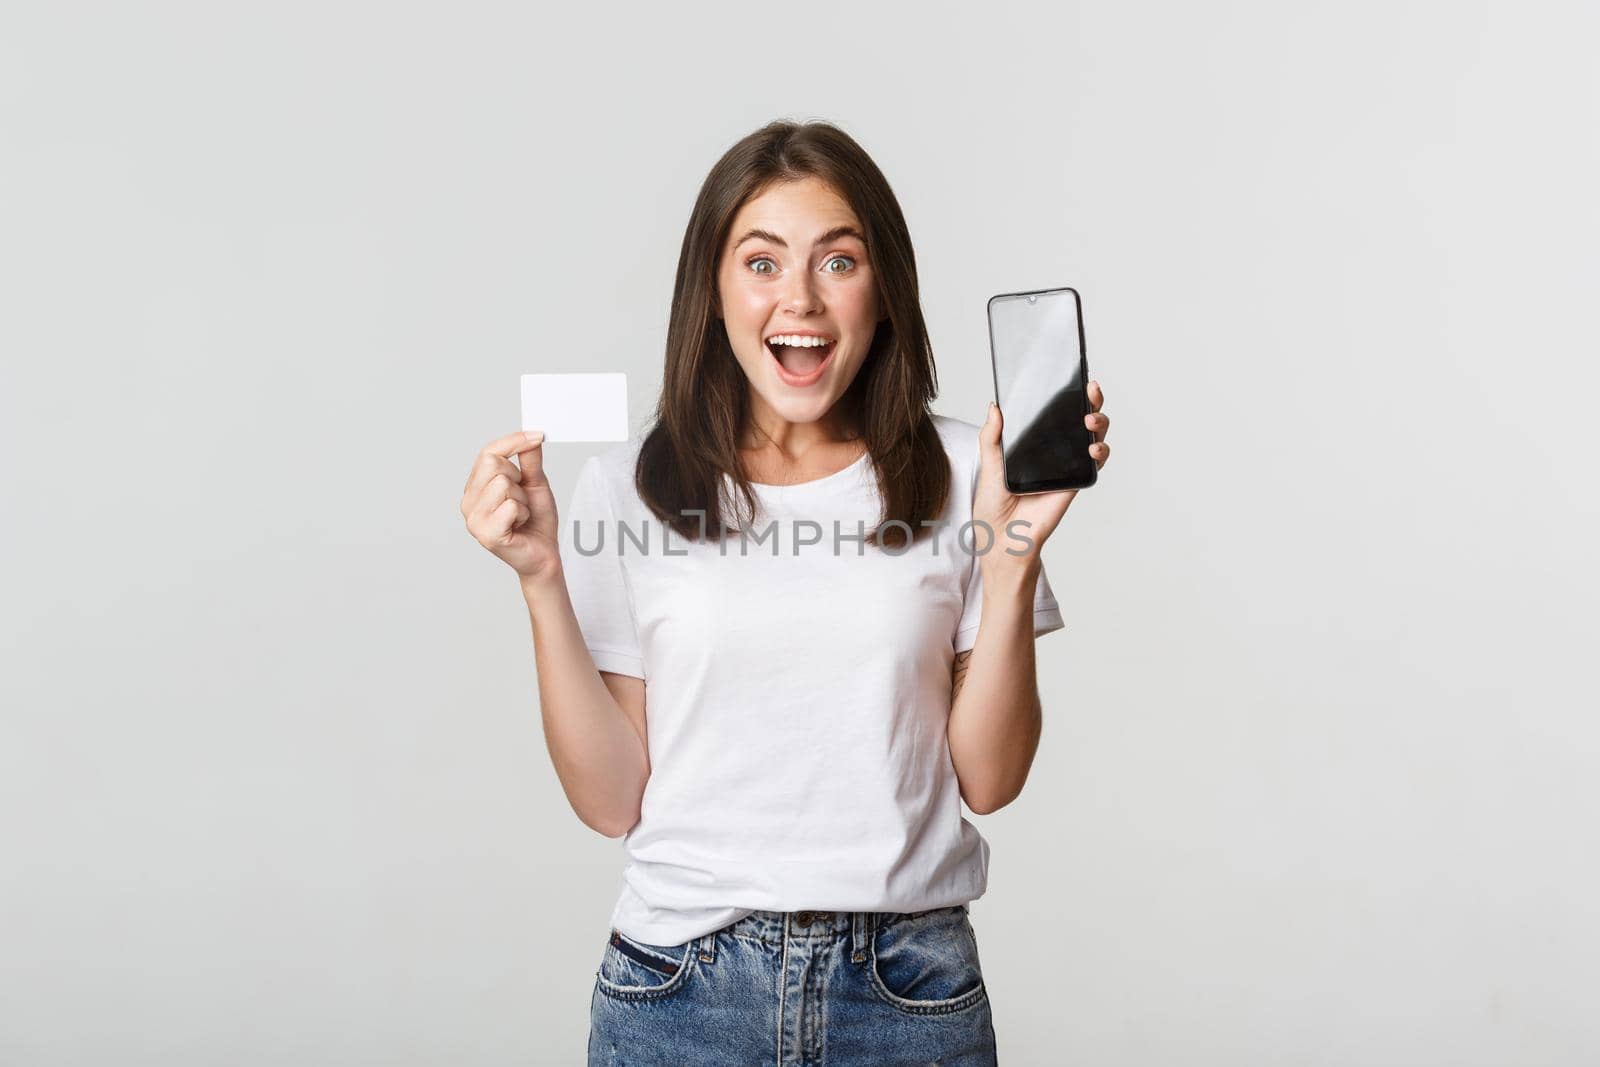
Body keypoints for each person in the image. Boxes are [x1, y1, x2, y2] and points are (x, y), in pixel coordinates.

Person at [461, 119, 1111, 1066]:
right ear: (713, 290)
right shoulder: (627, 484)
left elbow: (991, 779)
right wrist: (543, 580)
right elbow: (610, 801)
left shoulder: (968, 470)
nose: (798, 298)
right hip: (679, 993)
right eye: (761, 262)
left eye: (837, 261)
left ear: (883, 288)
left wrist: (1010, 555)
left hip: (907, 991)